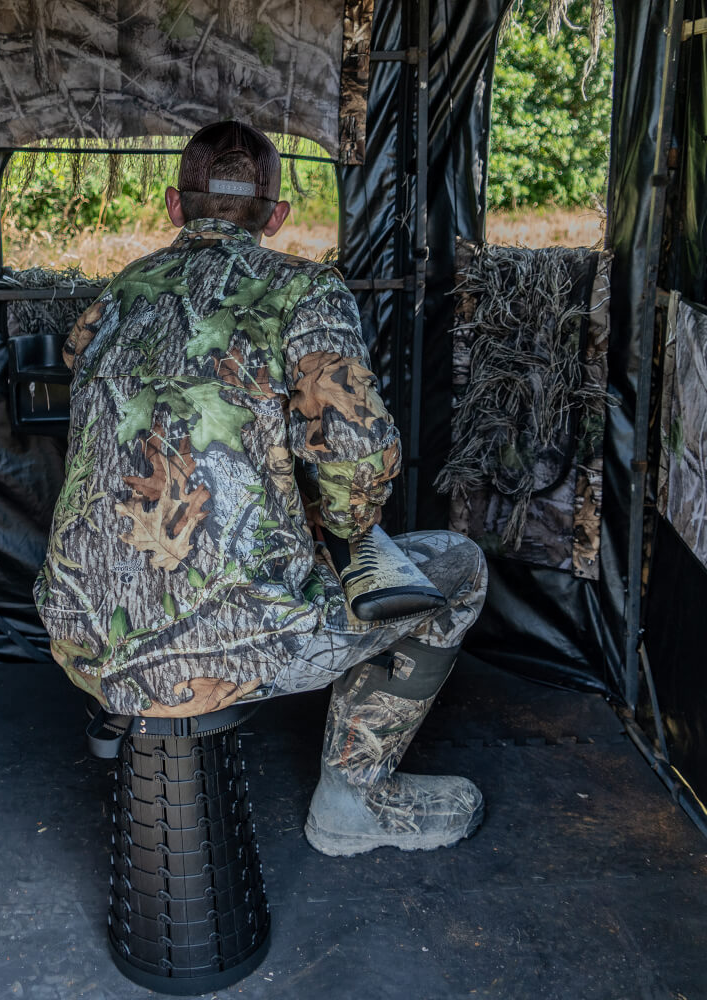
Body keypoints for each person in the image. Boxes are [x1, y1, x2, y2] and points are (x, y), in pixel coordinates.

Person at [36, 121, 488, 854]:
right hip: (240, 645)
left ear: (174, 209)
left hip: (83, 635)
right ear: (276, 218)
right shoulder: (305, 290)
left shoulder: (111, 300)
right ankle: (353, 801)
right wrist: (344, 527)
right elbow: (358, 451)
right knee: (460, 569)